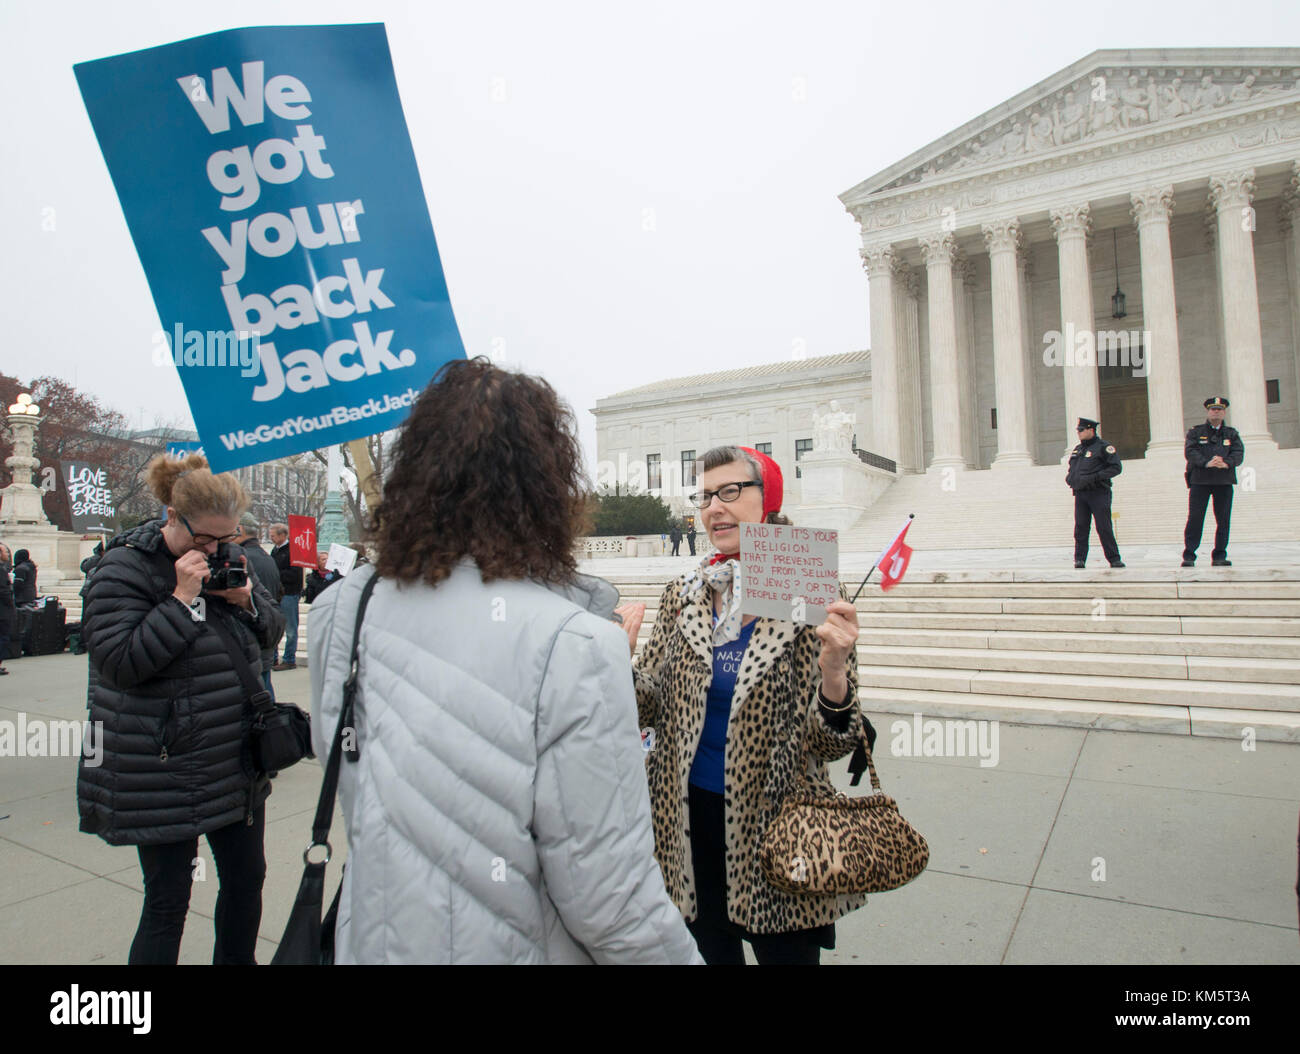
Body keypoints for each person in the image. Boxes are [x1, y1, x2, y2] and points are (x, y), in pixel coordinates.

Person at [309, 357, 700, 964]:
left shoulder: (343, 608)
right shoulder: (579, 644)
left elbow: (357, 795)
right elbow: (611, 899)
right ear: (545, 483)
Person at [617, 445, 872, 965]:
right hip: (687, 825)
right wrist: (617, 665)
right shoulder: (682, 594)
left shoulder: (805, 586)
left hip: (779, 830)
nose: (715, 507)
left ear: (767, 501)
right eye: (707, 495)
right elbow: (651, 710)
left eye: (731, 491)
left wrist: (834, 670)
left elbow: (831, 742)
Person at [76, 452, 284, 965]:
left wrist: (248, 603)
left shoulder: (228, 560)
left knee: (246, 880)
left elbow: (272, 635)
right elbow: (120, 663)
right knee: (168, 900)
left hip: (233, 757)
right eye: (205, 539)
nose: (216, 550)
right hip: (161, 764)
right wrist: (180, 598)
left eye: (227, 539)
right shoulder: (122, 568)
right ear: (172, 516)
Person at [1182, 396, 1243, 567]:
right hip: (1200, 481)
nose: (1216, 412)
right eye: (1213, 409)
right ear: (1208, 412)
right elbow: (1190, 451)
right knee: (1195, 518)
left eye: (1219, 409)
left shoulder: (1231, 433)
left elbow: (1238, 453)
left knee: (1223, 520)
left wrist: (1226, 463)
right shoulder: (1196, 432)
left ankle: (1219, 555)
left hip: (1223, 481)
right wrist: (1206, 463)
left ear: (1224, 412)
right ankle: (1189, 555)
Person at [235, 514, 283, 698]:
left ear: (240, 530)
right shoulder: (267, 556)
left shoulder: (243, 558)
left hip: (253, 637)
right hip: (265, 633)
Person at [1065, 417, 1124, 568]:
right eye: (1078, 430)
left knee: (1103, 527)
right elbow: (1073, 468)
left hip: (1098, 492)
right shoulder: (1078, 449)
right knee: (1081, 527)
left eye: (1081, 430)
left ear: (1091, 430)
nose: (1078, 433)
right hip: (1080, 493)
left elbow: (1116, 468)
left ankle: (1114, 558)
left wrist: (1095, 477)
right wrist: (1070, 478)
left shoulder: (1104, 447)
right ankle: (1079, 559)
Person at [270, 523, 303, 670]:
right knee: (275, 627)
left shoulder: (293, 550)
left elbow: (295, 574)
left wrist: (276, 574)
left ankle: (289, 659)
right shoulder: (274, 551)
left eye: (274, 535)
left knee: (290, 628)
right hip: (276, 593)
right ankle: (274, 658)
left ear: (283, 535)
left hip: (289, 593)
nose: (271, 538)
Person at [0, 543, 14, 674]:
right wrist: (11, 604)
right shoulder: (1, 570)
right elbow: (4, 591)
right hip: (2, 610)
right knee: (3, 637)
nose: (8, 555)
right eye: (5, 552)